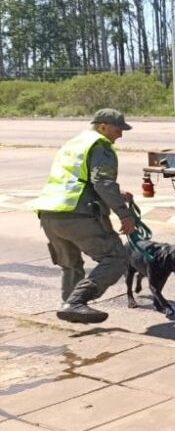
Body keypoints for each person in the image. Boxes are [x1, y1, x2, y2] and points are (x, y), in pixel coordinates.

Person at [32, 109, 136, 324]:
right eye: (118, 130)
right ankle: (77, 302)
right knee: (116, 258)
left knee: (71, 265)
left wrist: (117, 194)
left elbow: (79, 178)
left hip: (50, 213)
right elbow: (102, 182)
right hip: (77, 214)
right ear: (103, 126)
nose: (120, 135)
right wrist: (124, 214)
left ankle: (69, 309)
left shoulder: (74, 143)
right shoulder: (100, 145)